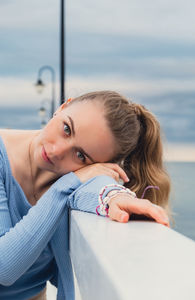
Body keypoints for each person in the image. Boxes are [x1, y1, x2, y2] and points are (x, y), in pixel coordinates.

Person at [0, 90, 170, 300]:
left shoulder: (79, 179)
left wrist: (115, 197)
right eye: (66, 129)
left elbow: (99, 187)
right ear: (64, 106)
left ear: (99, 165)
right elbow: (4, 266)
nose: (57, 151)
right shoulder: (70, 180)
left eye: (80, 155)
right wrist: (66, 185)